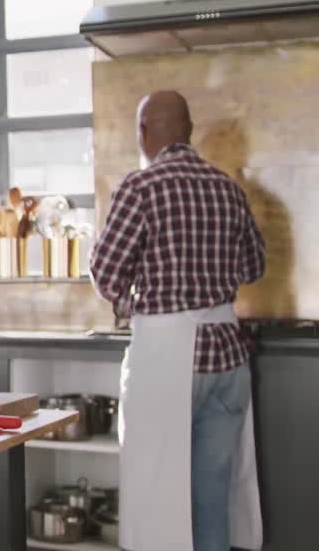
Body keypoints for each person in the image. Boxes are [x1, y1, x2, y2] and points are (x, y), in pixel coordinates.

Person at [90, 90, 264, 551]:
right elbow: (253, 268)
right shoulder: (228, 188)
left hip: (166, 363)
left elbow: (106, 276)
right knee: (212, 500)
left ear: (144, 132)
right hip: (227, 357)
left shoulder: (140, 187)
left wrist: (131, 297)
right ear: (188, 131)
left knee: (156, 502)